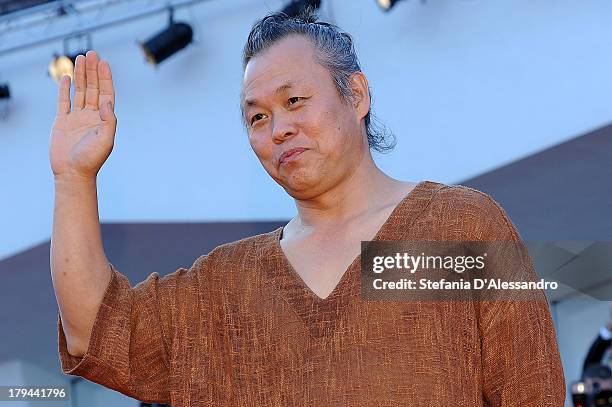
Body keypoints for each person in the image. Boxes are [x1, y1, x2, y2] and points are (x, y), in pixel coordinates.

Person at [49, 8, 566, 406]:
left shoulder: (460, 226)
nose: (278, 129)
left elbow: (531, 388)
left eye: (294, 101)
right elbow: (97, 328)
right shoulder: (225, 286)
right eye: (257, 118)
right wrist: (74, 179)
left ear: (356, 94)